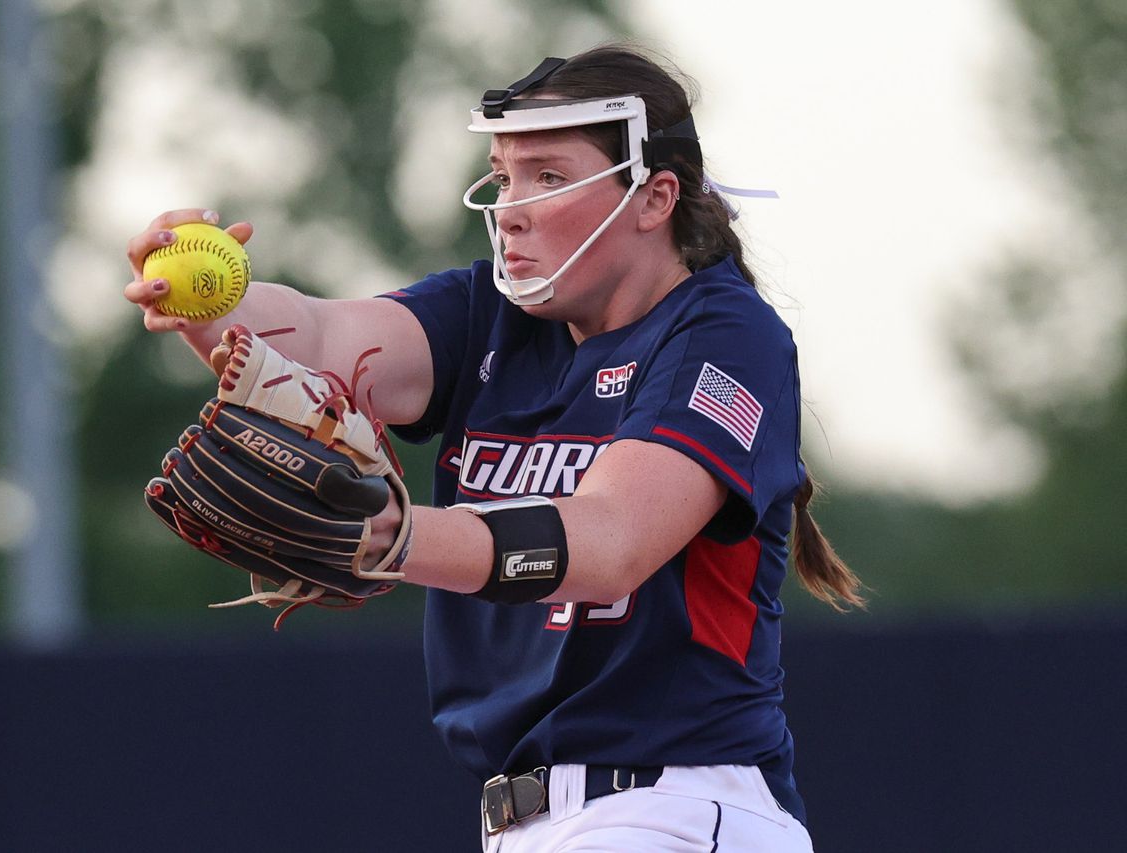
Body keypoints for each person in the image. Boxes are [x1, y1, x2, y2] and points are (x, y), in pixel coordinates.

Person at [124, 44, 862, 853]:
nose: (511, 207)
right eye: (504, 177)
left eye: (549, 177)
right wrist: (204, 307)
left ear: (654, 198)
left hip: (669, 806)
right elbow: (324, 335)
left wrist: (405, 539)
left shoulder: (721, 333)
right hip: (537, 825)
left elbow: (612, 539)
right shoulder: (488, 318)